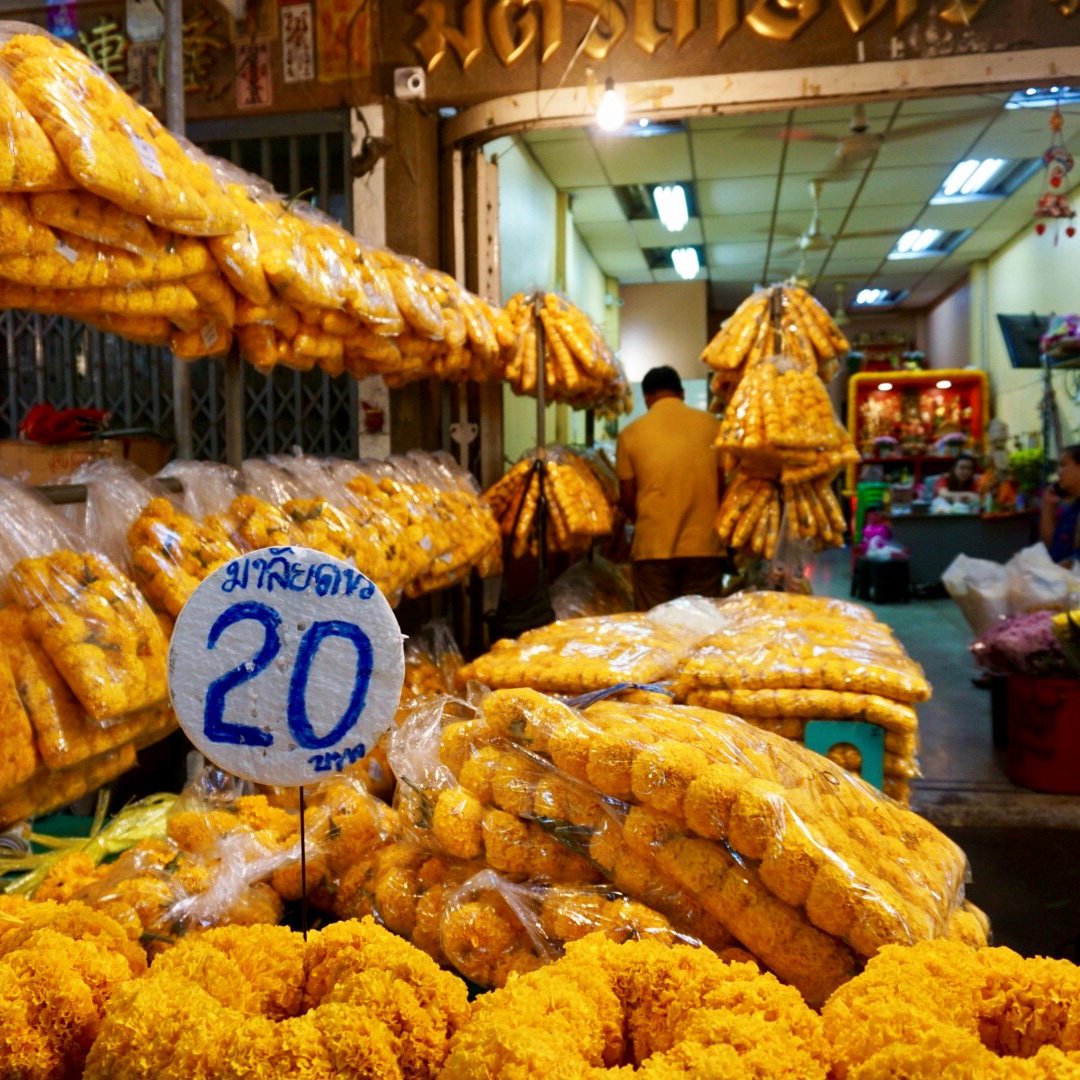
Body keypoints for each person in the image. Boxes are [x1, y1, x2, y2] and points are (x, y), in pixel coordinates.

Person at [615, 365, 725, 609]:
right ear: (682, 393)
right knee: (703, 630)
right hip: (705, 546)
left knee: (657, 631)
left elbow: (627, 496)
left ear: (646, 398)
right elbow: (723, 486)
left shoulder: (629, 434)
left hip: (653, 549)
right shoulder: (714, 427)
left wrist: (645, 520)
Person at [1040, 443, 1080, 566]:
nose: (1059, 473)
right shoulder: (1070, 507)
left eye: (1063, 465)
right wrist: (1047, 506)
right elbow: (1051, 545)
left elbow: (1074, 560)